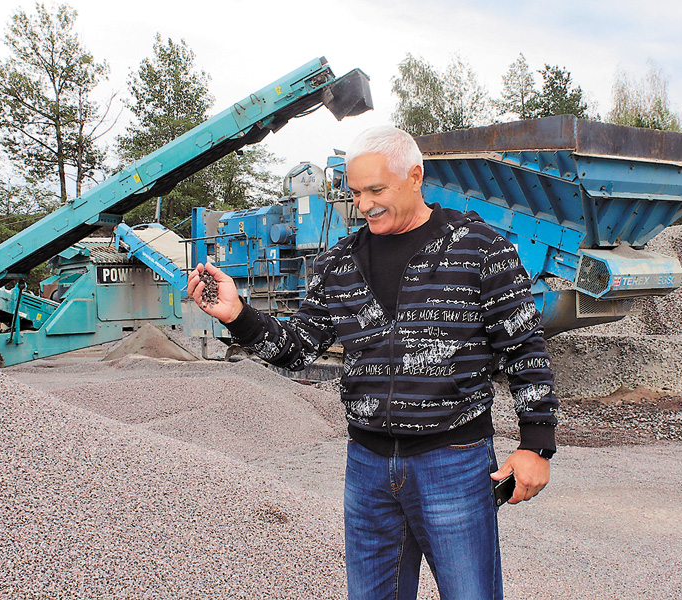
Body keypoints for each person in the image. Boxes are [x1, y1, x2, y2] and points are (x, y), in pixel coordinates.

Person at [186, 126, 558, 600]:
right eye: (356, 192)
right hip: (367, 468)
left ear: (415, 176)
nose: (363, 204)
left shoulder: (480, 249)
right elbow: (299, 348)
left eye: (376, 190)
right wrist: (239, 316)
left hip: (454, 464)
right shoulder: (339, 262)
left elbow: (525, 348)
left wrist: (536, 445)